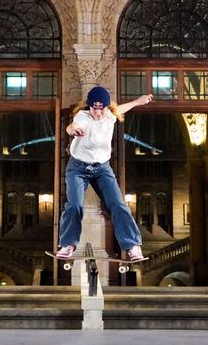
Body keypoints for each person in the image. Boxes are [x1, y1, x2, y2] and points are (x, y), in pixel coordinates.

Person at [56, 86, 153, 261]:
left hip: (102, 168)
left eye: (102, 109)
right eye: (95, 109)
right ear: (89, 106)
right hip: (77, 168)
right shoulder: (83, 116)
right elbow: (72, 127)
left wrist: (139, 101)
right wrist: (72, 131)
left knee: (117, 203)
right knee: (74, 205)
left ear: (107, 108)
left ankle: (132, 245)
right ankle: (68, 244)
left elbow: (122, 108)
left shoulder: (110, 115)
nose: (98, 113)